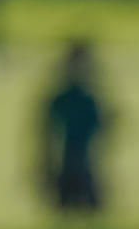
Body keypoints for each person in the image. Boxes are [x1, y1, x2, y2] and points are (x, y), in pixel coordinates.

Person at [40, 41, 106, 213]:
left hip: (86, 166)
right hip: (67, 165)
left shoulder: (89, 100)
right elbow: (47, 135)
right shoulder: (64, 100)